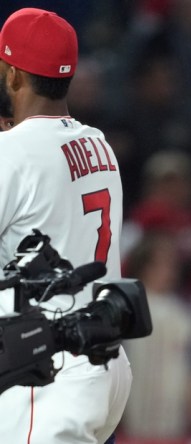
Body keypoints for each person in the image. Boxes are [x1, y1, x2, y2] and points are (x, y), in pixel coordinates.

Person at [0, 8, 130, 444]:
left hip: (46, 370)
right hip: (104, 360)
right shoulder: (99, 143)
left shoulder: (11, 152)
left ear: (13, 74)